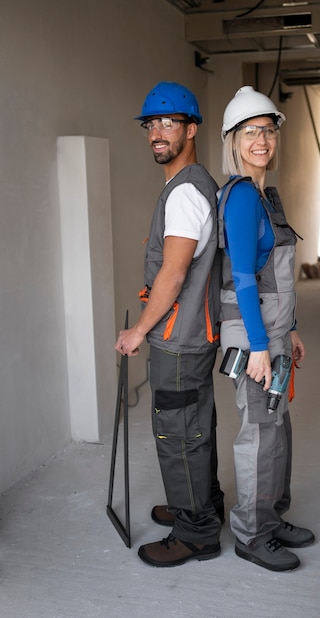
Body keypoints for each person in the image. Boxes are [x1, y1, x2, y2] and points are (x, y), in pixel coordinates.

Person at [115, 81, 223, 567]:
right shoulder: (195, 183)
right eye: (151, 124)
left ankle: (196, 532)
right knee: (196, 425)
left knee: (178, 432)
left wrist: (139, 330)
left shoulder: (184, 195)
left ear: (191, 128)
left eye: (169, 123)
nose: (157, 132)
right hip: (194, 334)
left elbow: (175, 271)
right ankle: (201, 505)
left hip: (178, 339)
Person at [217, 86, 315, 572]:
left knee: (278, 428)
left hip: (273, 333)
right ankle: (251, 534)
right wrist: (259, 346)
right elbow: (240, 278)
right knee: (259, 431)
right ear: (233, 140)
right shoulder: (239, 198)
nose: (262, 140)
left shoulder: (263, 195)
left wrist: (290, 328)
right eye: (251, 131)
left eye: (268, 130)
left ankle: (272, 519)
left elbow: (273, 273)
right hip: (253, 337)